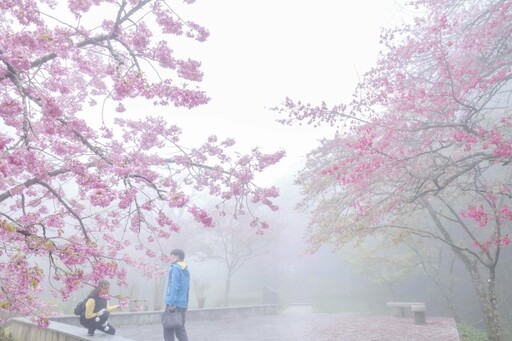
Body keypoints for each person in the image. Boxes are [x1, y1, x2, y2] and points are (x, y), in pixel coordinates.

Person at [163, 248, 190, 341]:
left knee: (168, 329)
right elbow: (187, 288)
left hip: (174, 304)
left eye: (173, 255)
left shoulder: (175, 268)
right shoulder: (185, 269)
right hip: (182, 304)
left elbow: (174, 286)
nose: (171, 257)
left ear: (178, 257)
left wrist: (172, 304)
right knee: (180, 329)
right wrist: (186, 305)